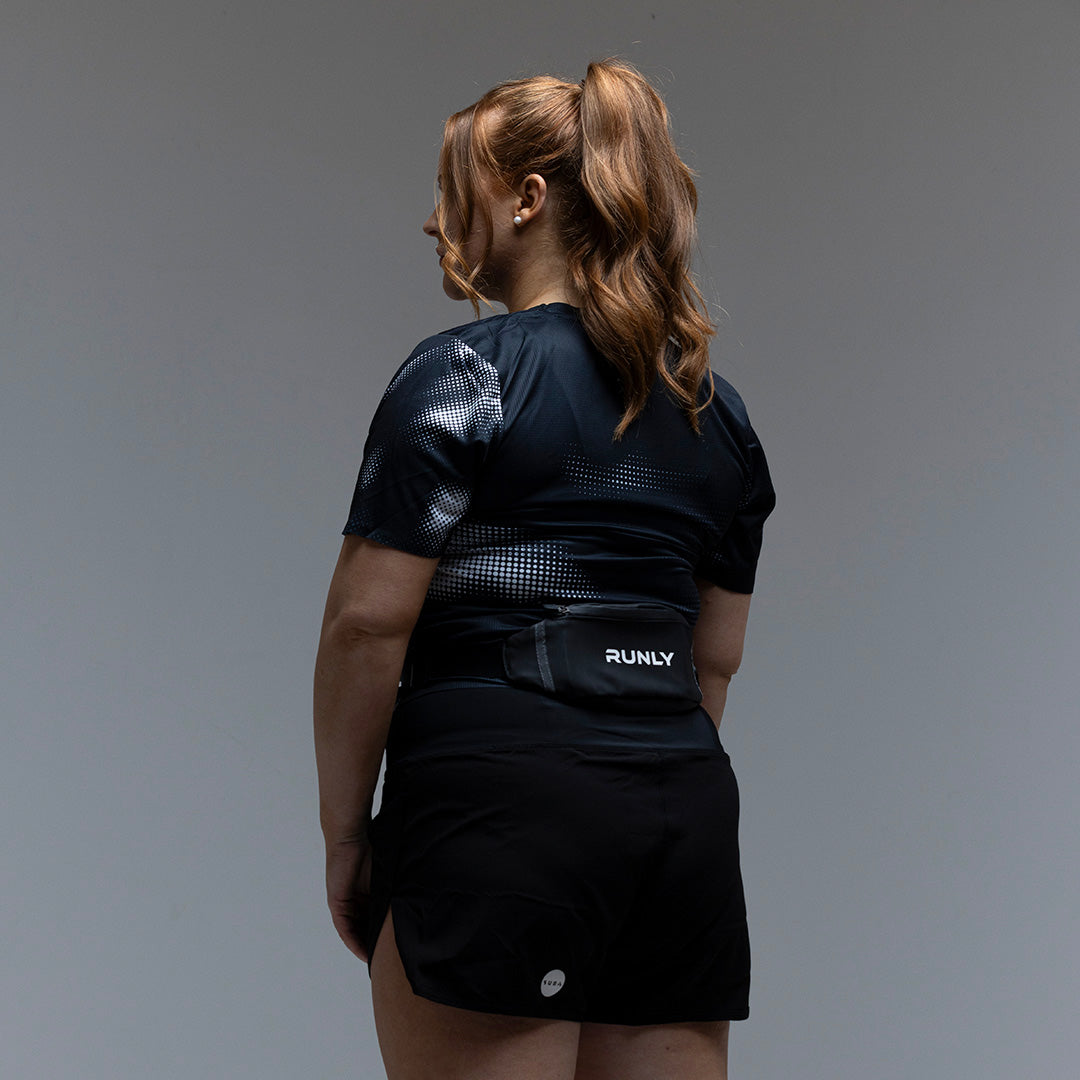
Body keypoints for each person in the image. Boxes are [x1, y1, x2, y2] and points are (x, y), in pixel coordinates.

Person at [313, 58, 775, 1080]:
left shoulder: (464, 377)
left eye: (453, 191)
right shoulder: (718, 411)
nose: (434, 222)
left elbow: (367, 624)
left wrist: (348, 835)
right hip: (679, 815)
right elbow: (715, 661)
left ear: (525, 199)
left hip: (498, 807)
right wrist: (630, 782)